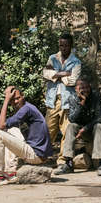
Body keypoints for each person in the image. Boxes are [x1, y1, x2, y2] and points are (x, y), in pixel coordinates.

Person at [0, 86, 52, 185]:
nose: (16, 101)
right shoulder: (28, 107)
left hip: (36, 155)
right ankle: (10, 171)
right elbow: (6, 127)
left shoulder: (26, 109)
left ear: (23, 96)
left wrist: (6, 100)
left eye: (18, 98)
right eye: (12, 100)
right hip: (37, 152)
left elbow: (1, 125)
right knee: (11, 130)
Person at [53, 78, 101, 176]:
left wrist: (85, 128)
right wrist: (81, 104)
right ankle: (68, 162)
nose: (85, 90)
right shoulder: (72, 98)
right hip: (84, 132)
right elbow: (72, 118)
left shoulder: (96, 96)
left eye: (87, 87)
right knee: (71, 126)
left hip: (99, 131)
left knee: (99, 126)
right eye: (82, 88)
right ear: (76, 89)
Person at [43, 33, 81, 165]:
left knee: (66, 130)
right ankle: (44, 157)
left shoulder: (76, 62)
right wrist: (64, 73)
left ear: (71, 46)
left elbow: (73, 80)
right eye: (61, 45)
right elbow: (45, 74)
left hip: (68, 100)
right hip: (52, 99)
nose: (63, 48)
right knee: (48, 128)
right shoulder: (52, 58)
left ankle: (63, 160)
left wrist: (56, 75)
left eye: (66, 45)